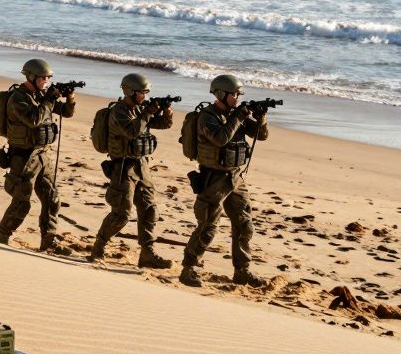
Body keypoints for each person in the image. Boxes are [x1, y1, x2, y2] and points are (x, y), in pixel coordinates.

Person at [180, 74, 270, 288]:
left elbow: (261, 135)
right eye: (234, 94)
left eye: (239, 95)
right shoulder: (207, 117)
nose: (237, 98)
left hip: (235, 177)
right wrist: (239, 115)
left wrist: (261, 118)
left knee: (244, 224)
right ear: (221, 94)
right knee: (208, 225)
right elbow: (221, 138)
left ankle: (242, 271)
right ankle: (188, 268)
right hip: (214, 177)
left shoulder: (234, 115)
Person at [89, 73, 174, 268]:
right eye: (142, 92)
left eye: (146, 92)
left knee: (149, 209)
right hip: (123, 168)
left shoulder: (140, 110)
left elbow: (164, 124)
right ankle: (99, 246)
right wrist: (148, 112)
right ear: (130, 92)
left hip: (141, 166)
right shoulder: (118, 112)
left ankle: (147, 253)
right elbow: (132, 131)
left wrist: (166, 110)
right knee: (122, 213)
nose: (145, 96)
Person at [0, 58, 76, 251]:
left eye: (48, 79)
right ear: (30, 77)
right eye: (42, 78)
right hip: (23, 157)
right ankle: (1, 238)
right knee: (21, 203)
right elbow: (33, 119)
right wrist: (49, 99)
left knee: (51, 199)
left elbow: (66, 112)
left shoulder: (42, 96)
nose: (46, 82)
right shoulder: (18, 98)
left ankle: (48, 241)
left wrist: (70, 98)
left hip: (42, 155)